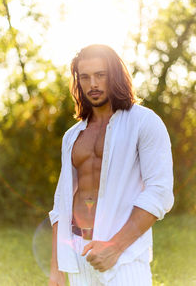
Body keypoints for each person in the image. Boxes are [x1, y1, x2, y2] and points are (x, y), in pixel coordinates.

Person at [48, 44, 174, 286]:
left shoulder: (145, 123)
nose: (92, 84)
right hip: (76, 251)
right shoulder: (72, 136)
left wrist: (115, 247)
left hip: (125, 255)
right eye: (85, 77)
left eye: (100, 75)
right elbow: (61, 203)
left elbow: (159, 193)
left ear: (114, 75)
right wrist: (56, 269)